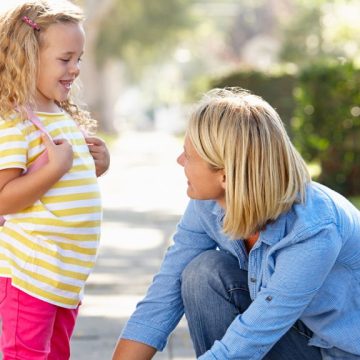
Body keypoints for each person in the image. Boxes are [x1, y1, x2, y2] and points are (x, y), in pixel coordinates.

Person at [112, 87, 360, 360]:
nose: (179, 161)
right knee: (203, 273)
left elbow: (255, 333)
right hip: (286, 334)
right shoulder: (209, 202)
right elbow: (164, 293)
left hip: (335, 352)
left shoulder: (314, 230)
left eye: (189, 155)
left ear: (227, 175)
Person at [0, 1, 110, 359]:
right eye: (65, 59)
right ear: (29, 57)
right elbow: (5, 198)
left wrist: (96, 164)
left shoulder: (58, 114)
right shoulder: (15, 122)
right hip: (28, 272)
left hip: (64, 274)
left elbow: (64, 187)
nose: (75, 69)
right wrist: (54, 169)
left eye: (79, 59)